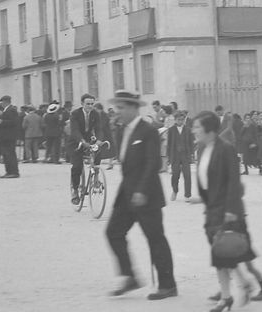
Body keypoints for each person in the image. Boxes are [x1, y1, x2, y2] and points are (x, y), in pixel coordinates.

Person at [191, 111, 262, 312]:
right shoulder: (203, 149)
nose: (194, 130)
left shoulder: (225, 149)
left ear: (209, 129)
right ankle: (237, 287)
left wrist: (231, 210)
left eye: (197, 127)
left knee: (236, 254)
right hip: (213, 209)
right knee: (225, 254)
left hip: (228, 211)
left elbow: (234, 183)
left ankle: (249, 288)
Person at [105, 90, 177, 300]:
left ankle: (167, 285)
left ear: (134, 108)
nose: (118, 111)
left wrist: (142, 190)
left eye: (122, 108)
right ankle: (129, 276)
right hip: (126, 195)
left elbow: (152, 163)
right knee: (113, 232)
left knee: (155, 239)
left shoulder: (148, 131)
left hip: (146, 196)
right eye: (117, 107)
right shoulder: (121, 131)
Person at [68, 94, 107, 205]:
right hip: (75, 142)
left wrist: (99, 141)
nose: (90, 106)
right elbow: (74, 130)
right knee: (77, 166)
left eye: (92, 104)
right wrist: (82, 141)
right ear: (82, 104)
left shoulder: (95, 114)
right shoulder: (75, 114)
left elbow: (99, 129)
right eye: (88, 104)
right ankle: (75, 190)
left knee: (97, 151)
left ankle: (96, 178)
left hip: (89, 139)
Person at [166, 110, 194, 202]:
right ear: (175, 120)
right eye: (178, 120)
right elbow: (169, 144)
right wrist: (168, 157)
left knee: (187, 175)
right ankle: (175, 191)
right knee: (175, 175)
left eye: (182, 120)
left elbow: (191, 143)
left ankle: (187, 195)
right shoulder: (171, 130)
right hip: (175, 155)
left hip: (185, 155)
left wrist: (192, 154)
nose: (180, 121)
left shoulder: (188, 130)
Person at [0, 95, 21, 178]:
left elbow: (14, 122)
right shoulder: (7, 110)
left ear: (5, 102)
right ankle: (9, 171)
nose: (1, 104)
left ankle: (13, 172)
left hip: (9, 136)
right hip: (6, 136)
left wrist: (2, 122)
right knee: (6, 155)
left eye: (2, 102)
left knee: (10, 154)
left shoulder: (11, 110)